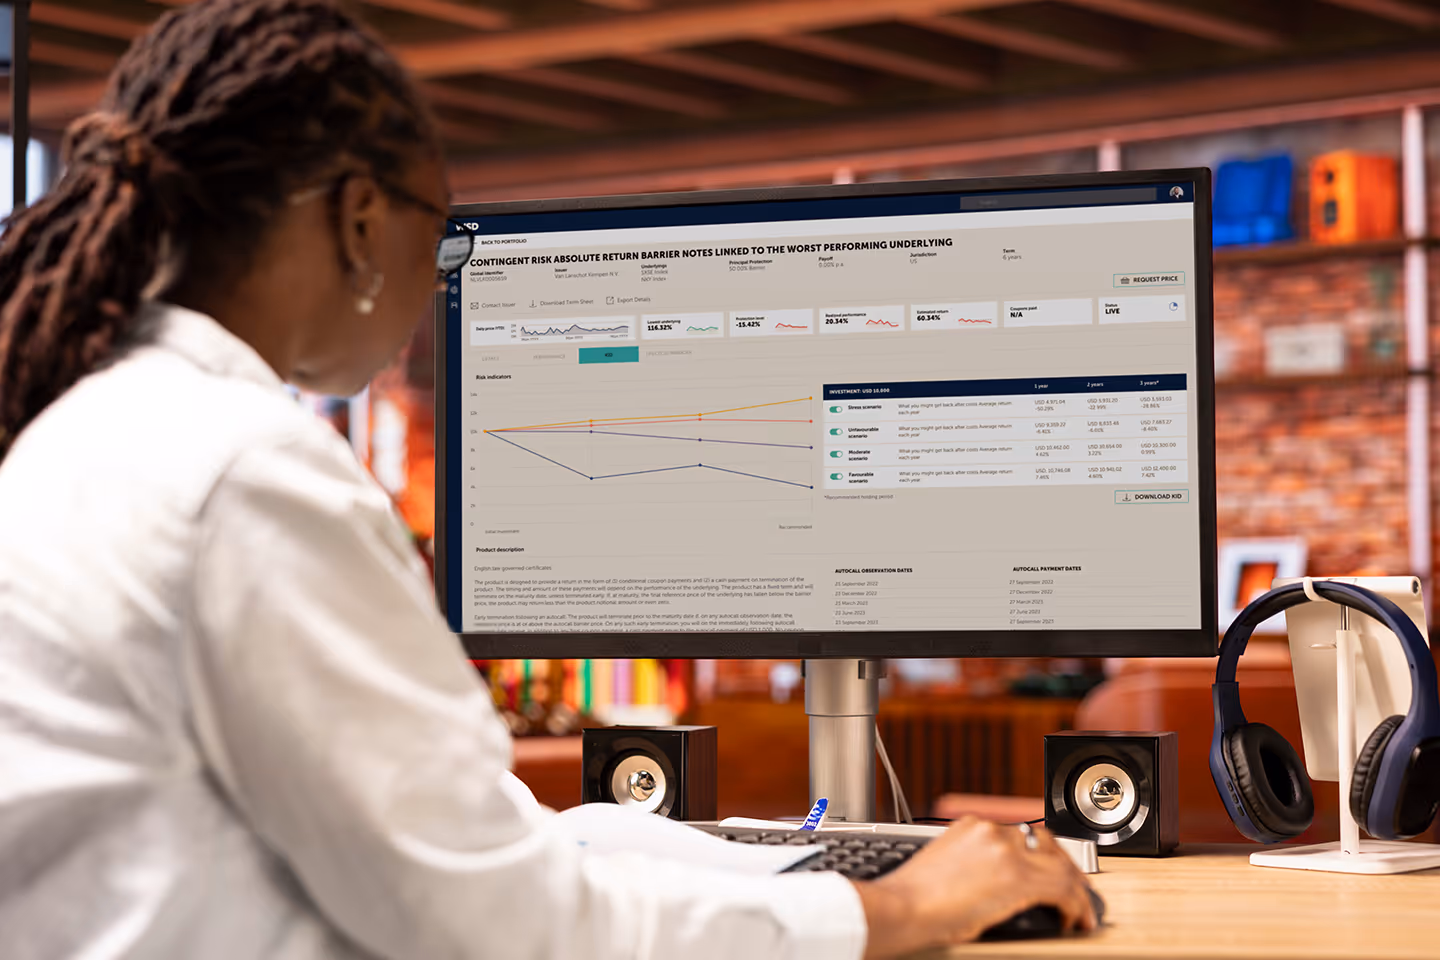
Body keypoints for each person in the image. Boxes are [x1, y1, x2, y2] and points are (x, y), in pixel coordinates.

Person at [0, 1, 1096, 957]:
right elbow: (506, 927)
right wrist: (903, 907)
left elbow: (403, 851)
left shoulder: (93, 434)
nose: (436, 285)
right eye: (440, 241)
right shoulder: (245, 473)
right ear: (361, 219)